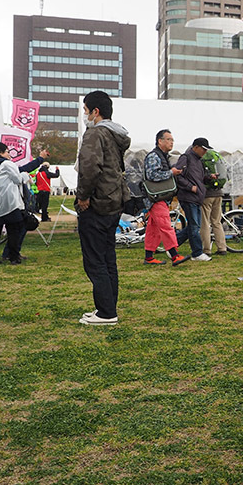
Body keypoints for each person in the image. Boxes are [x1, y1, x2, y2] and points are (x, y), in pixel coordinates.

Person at [75, 91, 130, 325]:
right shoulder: (116, 135)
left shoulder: (95, 134)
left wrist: (83, 197)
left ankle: (106, 312)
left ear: (96, 111)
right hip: (113, 202)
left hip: (96, 203)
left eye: (86, 110)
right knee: (107, 258)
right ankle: (106, 308)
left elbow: (89, 168)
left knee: (95, 259)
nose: (85, 115)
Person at [142, 129, 188, 266]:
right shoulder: (154, 156)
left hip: (158, 197)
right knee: (166, 226)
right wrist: (171, 172)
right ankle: (175, 256)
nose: (171, 142)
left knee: (154, 228)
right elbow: (152, 176)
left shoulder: (161, 156)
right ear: (159, 141)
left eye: (172, 140)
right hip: (155, 197)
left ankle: (149, 257)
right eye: (168, 139)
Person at [0, 142, 29, 265]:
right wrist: (25, 176)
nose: (9, 154)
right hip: (10, 202)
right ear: (1, 153)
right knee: (14, 231)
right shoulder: (8, 164)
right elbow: (17, 179)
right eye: (7, 152)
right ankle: (14, 257)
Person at [174, 137, 213, 261]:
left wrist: (208, 177)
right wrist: (191, 188)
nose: (205, 152)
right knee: (195, 226)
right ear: (195, 147)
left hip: (196, 198)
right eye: (204, 149)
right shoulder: (185, 158)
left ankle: (172, 247)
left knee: (193, 225)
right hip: (188, 197)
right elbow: (177, 176)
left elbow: (199, 178)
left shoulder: (198, 161)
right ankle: (197, 253)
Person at [200, 147, 228, 256]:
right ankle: (222, 248)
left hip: (207, 195)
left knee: (205, 223)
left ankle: (206, 249)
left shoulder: (202, 158)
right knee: (217, 222)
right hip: (218, 193)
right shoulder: (216, 156)